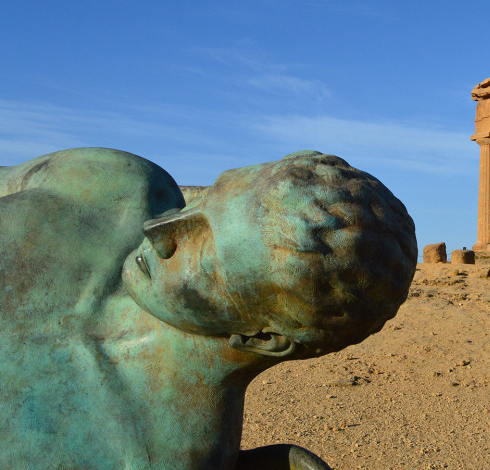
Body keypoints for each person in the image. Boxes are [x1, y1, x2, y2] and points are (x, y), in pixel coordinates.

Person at [0, 148, 418, 470]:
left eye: (203, 254)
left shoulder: (152, 457)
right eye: (203, 199)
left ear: (265, 338)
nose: (156, 229)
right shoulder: (121, 185)